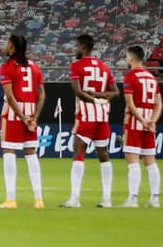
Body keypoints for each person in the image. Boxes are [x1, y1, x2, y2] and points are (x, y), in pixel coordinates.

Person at [63, 34, 117, 208]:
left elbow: (78, 92)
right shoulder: (104, 66)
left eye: (77, 46)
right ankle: (107, 199)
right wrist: (102, 97)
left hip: (86, 115)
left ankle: (74, 199)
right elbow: (115, 92)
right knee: (104, 155)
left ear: (83, 47)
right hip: (103, 115)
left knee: (78, 152)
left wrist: (93, 99)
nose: (75, 49)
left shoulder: (76, 65)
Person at [0, 34, 45, 209]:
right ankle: (38, 199)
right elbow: (42, 95)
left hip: (14, 113)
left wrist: (22, 117)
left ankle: (11, 199)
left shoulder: (7, 67)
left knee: (9, 151)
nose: (5, 46)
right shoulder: (34, 66)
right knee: (31, 152)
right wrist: (34, 117)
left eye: (7, 43)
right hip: (31, 111)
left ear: (12, 47)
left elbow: (10, 96)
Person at [120, 44, 162, 208]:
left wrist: (142, 120)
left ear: (131, 58)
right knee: (150, 161)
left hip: (135, 122)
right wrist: (152, 120)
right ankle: (155, 198)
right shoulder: (151, 77)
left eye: (127, 56)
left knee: (133, 160)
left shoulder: (130, 77)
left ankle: (133, 198)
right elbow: (159, 104)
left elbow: (130, 104)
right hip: (149, 122)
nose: (126, 59)